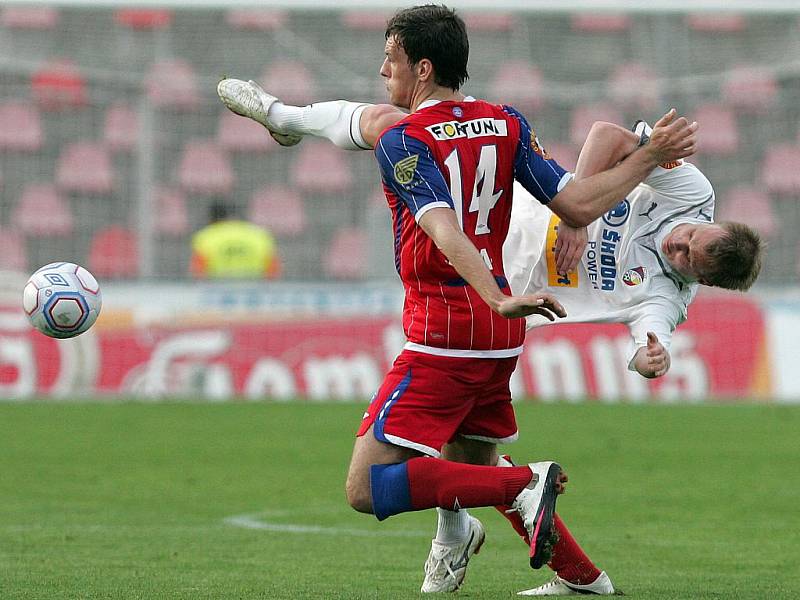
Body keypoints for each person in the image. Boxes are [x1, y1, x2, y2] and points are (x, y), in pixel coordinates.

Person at [218, 4, 698, 595]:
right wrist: (646, 159)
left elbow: (445, 230)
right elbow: (576, 205)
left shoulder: (404, 139)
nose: (382, 69)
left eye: (390, 59)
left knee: (366, 489)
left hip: (447, 324)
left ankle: (526, 483)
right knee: (464, 468)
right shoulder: (504, 121)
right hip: (499, 336)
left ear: (421, 69)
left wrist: (496, 297)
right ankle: (581, 579)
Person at [190, 201, 281, 279]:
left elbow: (198, 271)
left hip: (217, 290)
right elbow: (273, 270)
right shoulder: (260, 235)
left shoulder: (206, 236)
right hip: (255, 289)